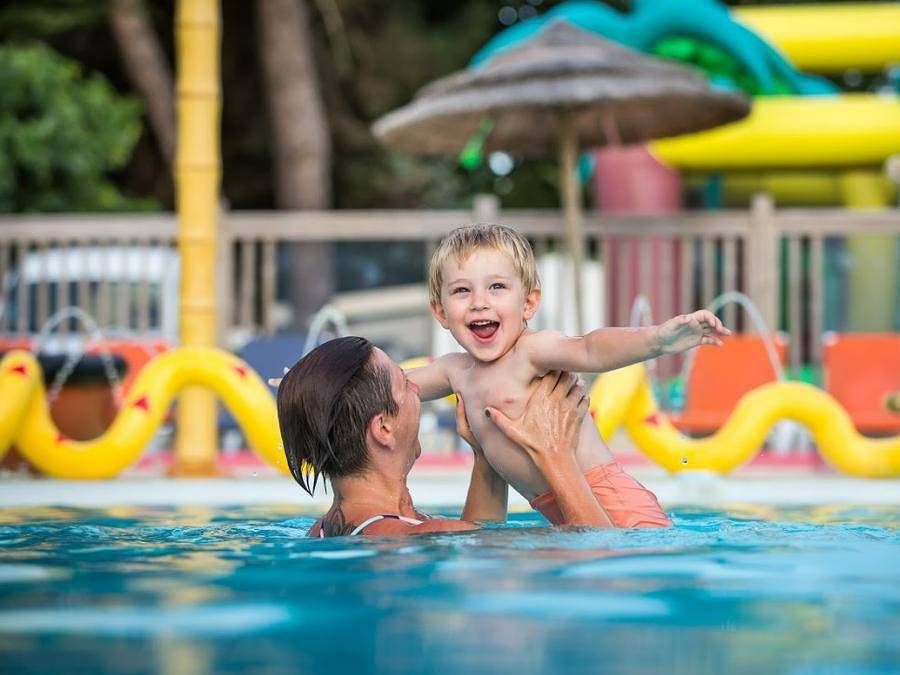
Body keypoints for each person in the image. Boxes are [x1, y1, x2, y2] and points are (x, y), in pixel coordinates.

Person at [409, 224, 732, 528]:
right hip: (565, 515)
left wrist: (656, 340)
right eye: (462, 290)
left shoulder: (531, 352)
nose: (480, 303)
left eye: (497, 287)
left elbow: (590, 348)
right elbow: (391, 384)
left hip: (617, 505)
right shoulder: (454, 370)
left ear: (529, 302)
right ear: (440, 312)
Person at [276, 336, 609, 537]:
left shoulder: (321, 531)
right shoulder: (425, 534)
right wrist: (557, 456)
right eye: (404, 384)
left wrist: (485, 457)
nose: (417, 389)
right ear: (384, 429)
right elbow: (603, 557)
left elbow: (480, 545)